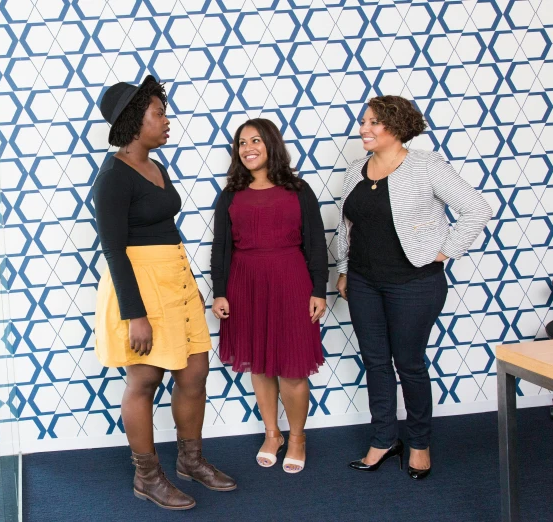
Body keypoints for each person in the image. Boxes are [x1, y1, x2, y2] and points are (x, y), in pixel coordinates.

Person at [92, 75, 236, 511]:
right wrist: (135, 314)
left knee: (194, 372)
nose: (167, 120)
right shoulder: (114, 175)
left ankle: (191, 461)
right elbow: (114, 250)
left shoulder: (155, 165)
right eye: (159, 113)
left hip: (175, 278)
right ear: (135, 122)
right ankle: (147, 477)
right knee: (145, 378)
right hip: (140, 285)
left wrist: (187, 283)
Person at [336, 95, 492, 480]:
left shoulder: (426, 166)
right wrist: (342, 269)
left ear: (398, 126)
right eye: (364, 121)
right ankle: (384, 439)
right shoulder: (356, 170)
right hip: (362, 282)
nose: (364, 129)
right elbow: (346, 226)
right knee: (375, 362)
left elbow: (477, 208)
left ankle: (419, 442)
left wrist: (445, 252)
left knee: (408, 363)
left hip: (414, 283)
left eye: (374, 122)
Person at [210, 118, 328, 474]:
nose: (248, 148)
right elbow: (221, 247)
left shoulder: (298, 189)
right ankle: (272, 433)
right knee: (259, 364)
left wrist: (318, 289)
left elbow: (316, 242)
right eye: (242, 143)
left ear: (271, 144)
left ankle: (296, 438)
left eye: (256, 140)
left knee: (292, 367)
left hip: (291, 281)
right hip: (245, 284)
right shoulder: (230, 193)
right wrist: (219, 292)